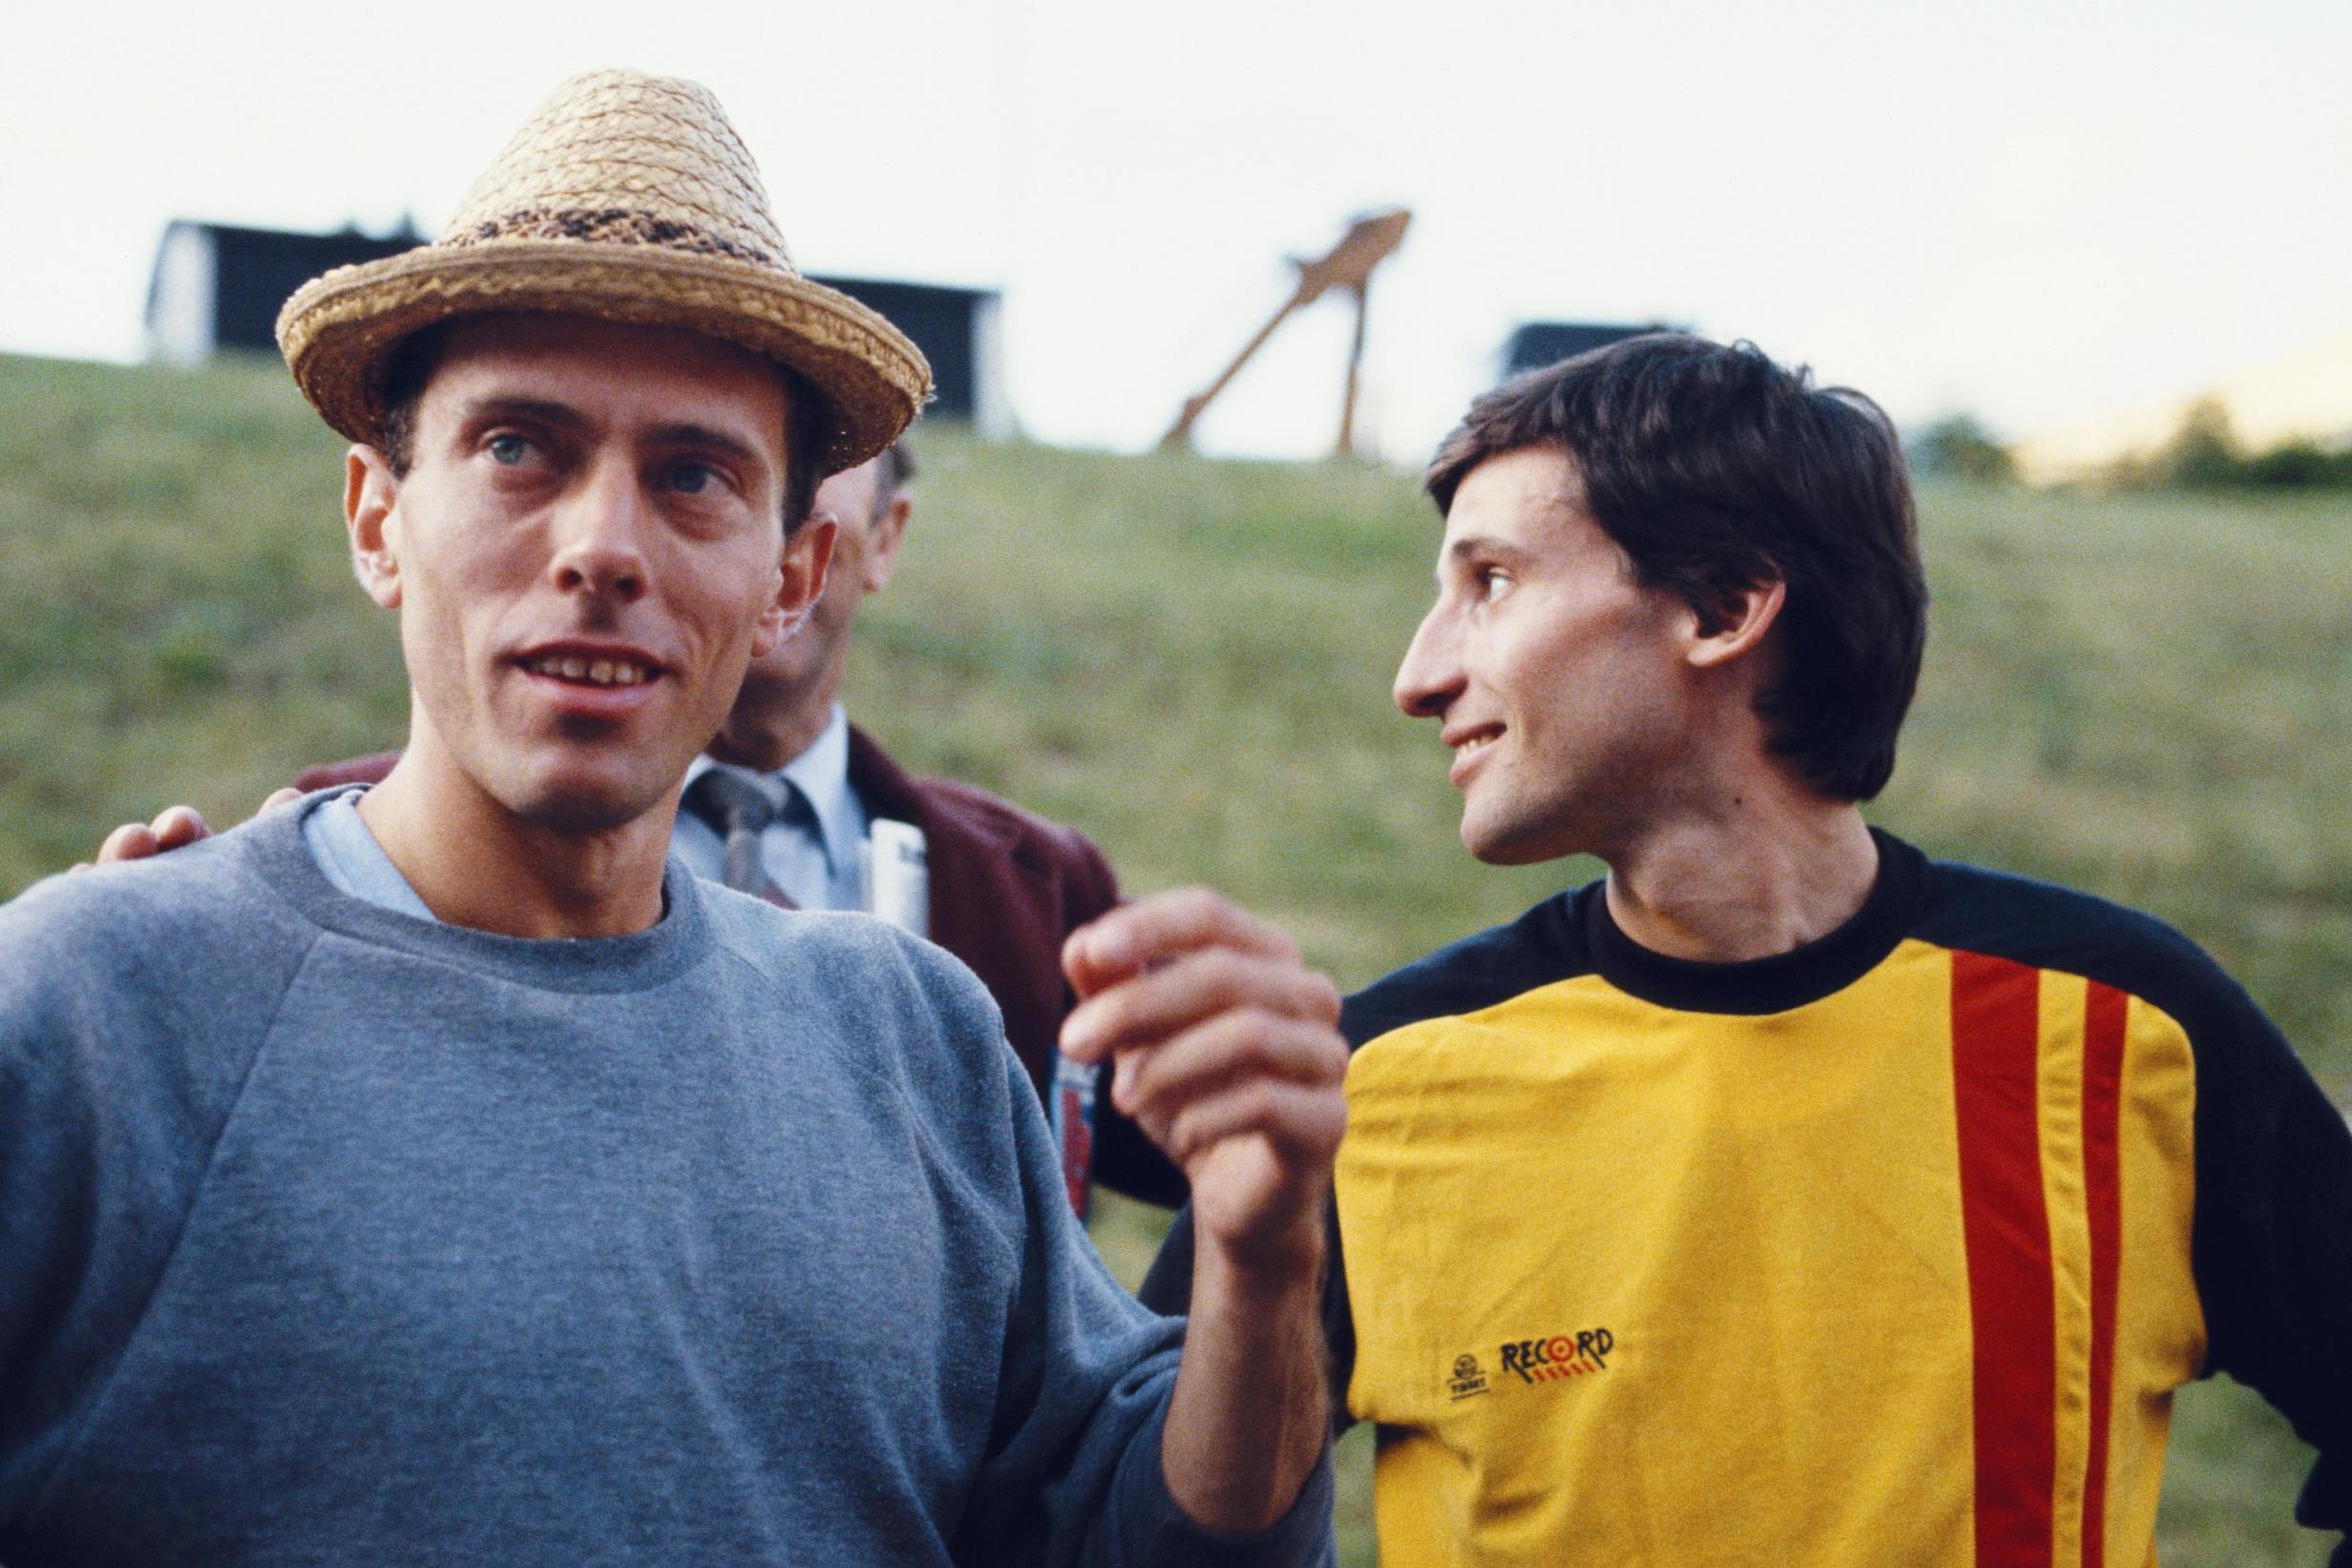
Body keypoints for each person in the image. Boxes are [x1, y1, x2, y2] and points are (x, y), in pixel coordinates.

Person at [0, 69, 1342, 1566]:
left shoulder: (917, 1043)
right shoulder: (85, 1011)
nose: (603, 547)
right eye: (519, 447)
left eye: (693, 473)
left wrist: (1263, 1258)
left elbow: (1150, 1538)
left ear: (791, 577)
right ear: (378, 520)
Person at [1143, 332, 2352, 1564]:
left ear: (1723, 605)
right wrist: (1256, 1256)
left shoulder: (2126, 1026)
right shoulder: (1372, 1078)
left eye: (1491, 581)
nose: (1419, 674)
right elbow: (1145, 1530)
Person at [270, 441, 1185, 1209]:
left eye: (810, 458)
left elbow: (1218, 1187)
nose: (764, 516)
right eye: (697, 472)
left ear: (868, 541)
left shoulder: (1035, 886)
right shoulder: (353, 846)